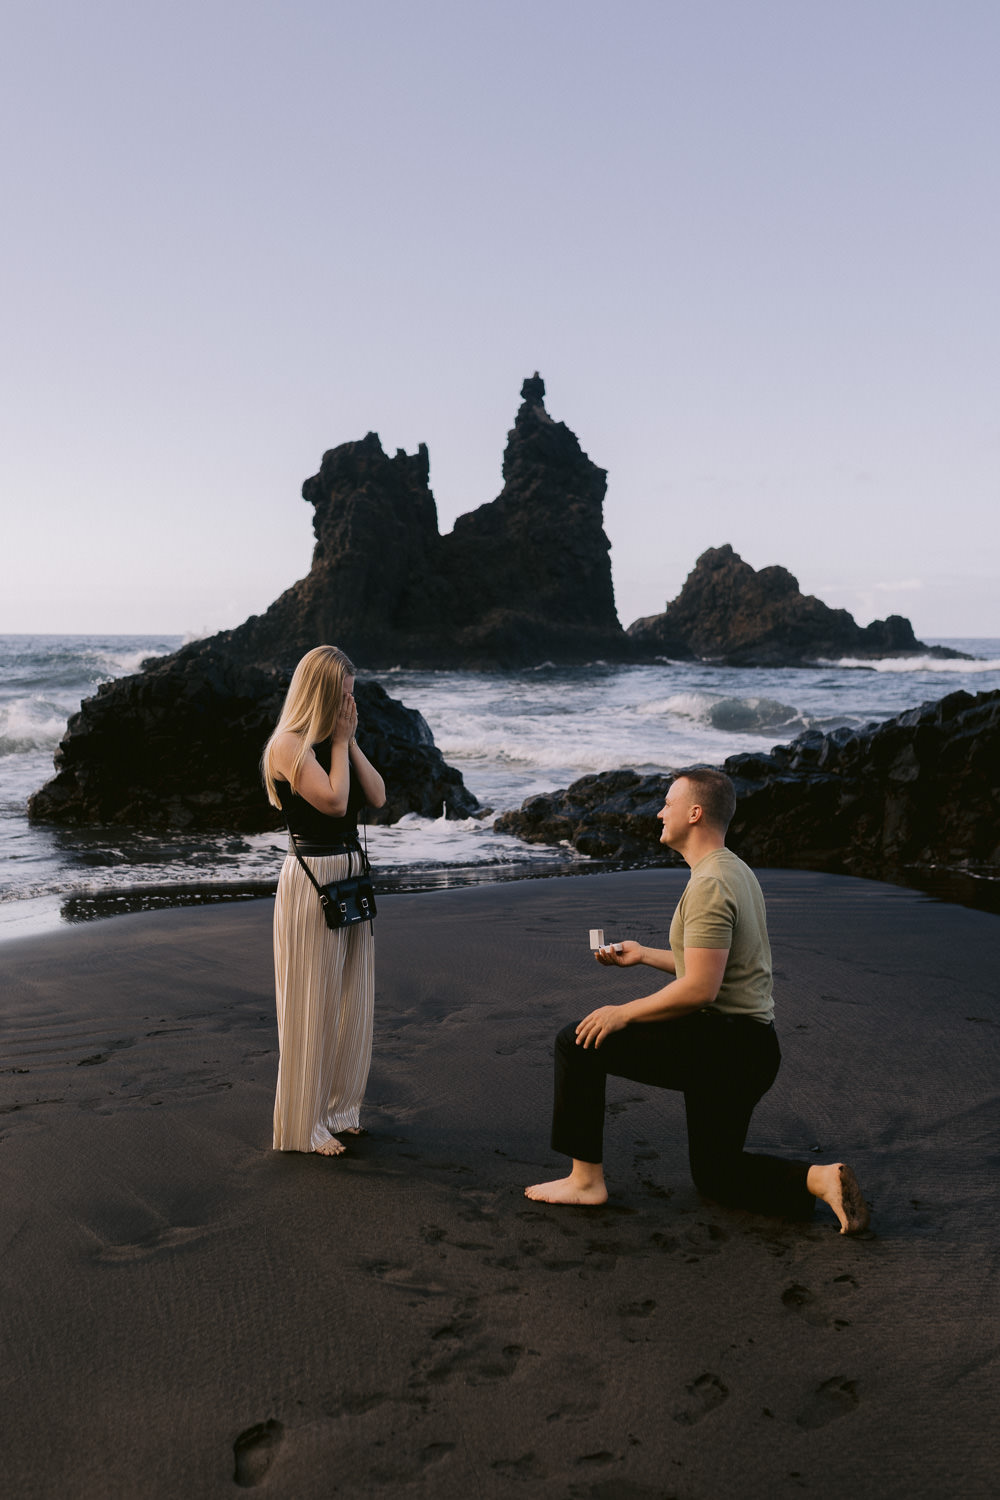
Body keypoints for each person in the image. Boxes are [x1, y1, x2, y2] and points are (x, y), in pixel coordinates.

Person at [525, 768, 869, 1233]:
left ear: (695, 812)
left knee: (579, 1041)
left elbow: (700, 989)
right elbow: (714, 968)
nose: (660, 811)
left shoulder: (708, 885)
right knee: (717, 1174)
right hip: (751, 1048)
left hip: (722, 1045)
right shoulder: (735, 871)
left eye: (668, 803)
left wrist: (621, 1012)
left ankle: (585, 1181)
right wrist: (645, 955)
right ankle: (821, 1179)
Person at [262, 645, 387, 1156]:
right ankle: (305, 1123)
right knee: (312, 1003)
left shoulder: (334, 743)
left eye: (352, 697)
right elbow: (334, 803)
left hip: (348, 878)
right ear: (320, 692)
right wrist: (338, 742)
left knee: (353, 1000)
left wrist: (348, 742)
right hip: (314, 880)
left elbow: (376, 796)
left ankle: (340, 1109)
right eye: (343, 695)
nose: (349, 705)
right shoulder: (289, 746)